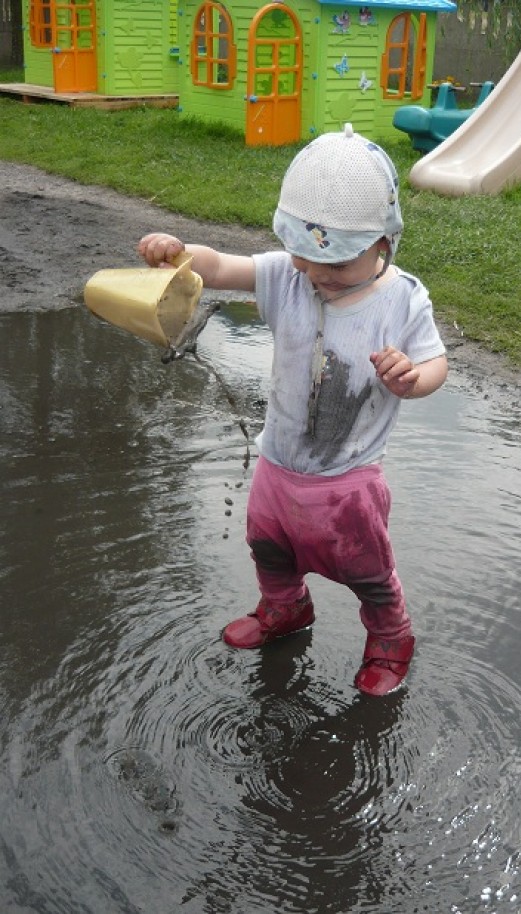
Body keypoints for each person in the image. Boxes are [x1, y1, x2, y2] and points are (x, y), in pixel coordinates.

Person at [138, 124, 448, 696]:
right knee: (268, 547)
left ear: (383, 243)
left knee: (369, 571)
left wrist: (413, 377)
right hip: (278, 466)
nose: (316, 275)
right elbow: (220, 266)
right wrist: (179, 255)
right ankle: (285, 609)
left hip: (348, 482)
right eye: (305, 259)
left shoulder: (403, 297)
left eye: (333, 265)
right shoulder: (288, 275)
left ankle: (390, 636)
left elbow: (436, 364)